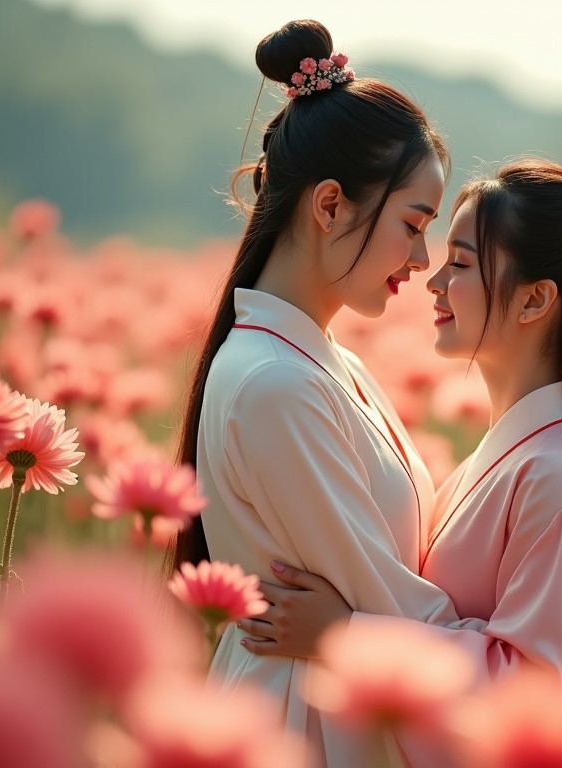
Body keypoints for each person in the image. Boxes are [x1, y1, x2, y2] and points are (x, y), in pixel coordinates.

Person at [238, 139, 562, 732]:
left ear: (534, 299)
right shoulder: (519, 456)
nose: (433, 280)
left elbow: (545, 698)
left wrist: (346, 636)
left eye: (463, 263)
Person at [167, 18, 489, 768]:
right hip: (304, 725)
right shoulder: (279, 385)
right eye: (412, 224)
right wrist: (506, 650)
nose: (420, 258)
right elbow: (389, 607)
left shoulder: (313, 361)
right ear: (330, 205)